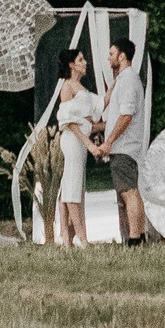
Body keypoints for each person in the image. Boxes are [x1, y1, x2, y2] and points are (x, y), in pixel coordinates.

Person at [92, 37, 150, 247]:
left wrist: (109, 141)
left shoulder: (127, 80)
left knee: (129, 191)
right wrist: (99, 128)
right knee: (129, 191)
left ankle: (135, 239)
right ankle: (138, 236)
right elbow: (118, 115)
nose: (108, 59)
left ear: (122, 56)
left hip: (124, 146)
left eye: (111, 54)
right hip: (125, 145)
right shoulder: (126, 80)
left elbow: (126, 115)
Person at [52, 48, 100, 248]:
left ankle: (66, 238)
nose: (85, 62)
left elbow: (90, 117)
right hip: (73, 140)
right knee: (72, 186)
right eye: (81, 59)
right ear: (72, 64)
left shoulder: (80, 87)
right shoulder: (67, 87)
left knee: (73, 186)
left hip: (80, 140)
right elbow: (69, 121)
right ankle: (81, 237)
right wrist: (87, 143)